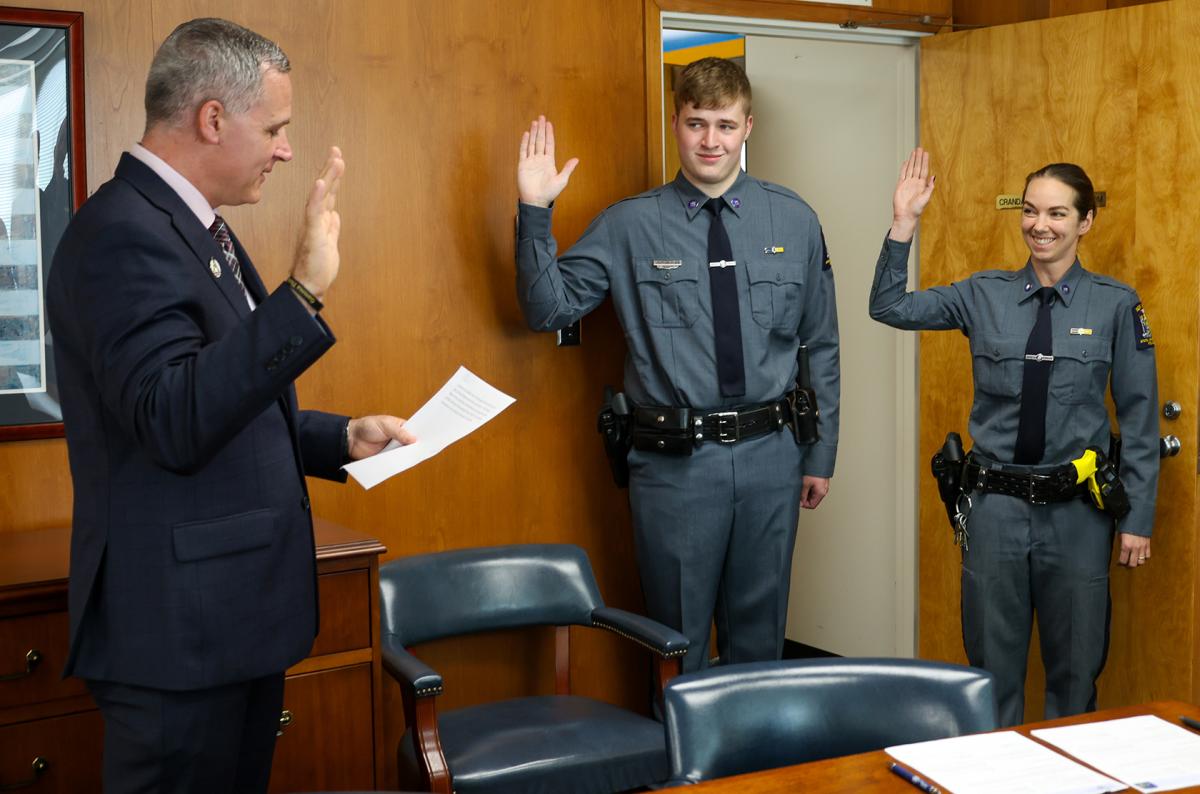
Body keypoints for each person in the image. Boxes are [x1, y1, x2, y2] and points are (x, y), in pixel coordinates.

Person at [46, 18, 414, 793]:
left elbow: (225, 397)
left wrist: (338, 437)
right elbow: (173, 419)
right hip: (179, 640)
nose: (285, 149)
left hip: (227, 627)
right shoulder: (121, 234)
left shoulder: (190, 226)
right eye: (275, 128)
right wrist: (303, 293)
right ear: (213, 118)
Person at [514, 57, 840, 674]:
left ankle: (758, 771)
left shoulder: (793, 219)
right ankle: (684, 772)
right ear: (675, 125)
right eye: (696, 124)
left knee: (760, 639)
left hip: (773, 455)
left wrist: (819, 454)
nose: (710, 140)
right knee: (676, 642)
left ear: (749, 126)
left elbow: (819, 345)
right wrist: (535, 213)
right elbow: (546, 310)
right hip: (677, 465)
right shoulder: (629, 224)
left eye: (724, 124)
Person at [870, 148, 1159, 726]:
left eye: (1056, 214)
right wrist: (904, 224)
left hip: (1078, 514)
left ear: (1085, 222)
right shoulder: (984, 294)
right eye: (1030, 211)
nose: (1039, 225)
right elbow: (890, 306)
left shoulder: (1115, 304)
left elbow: (1140, 415)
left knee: (1076, 672)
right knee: (991, 671)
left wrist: (1138, 519)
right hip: (995, 508)